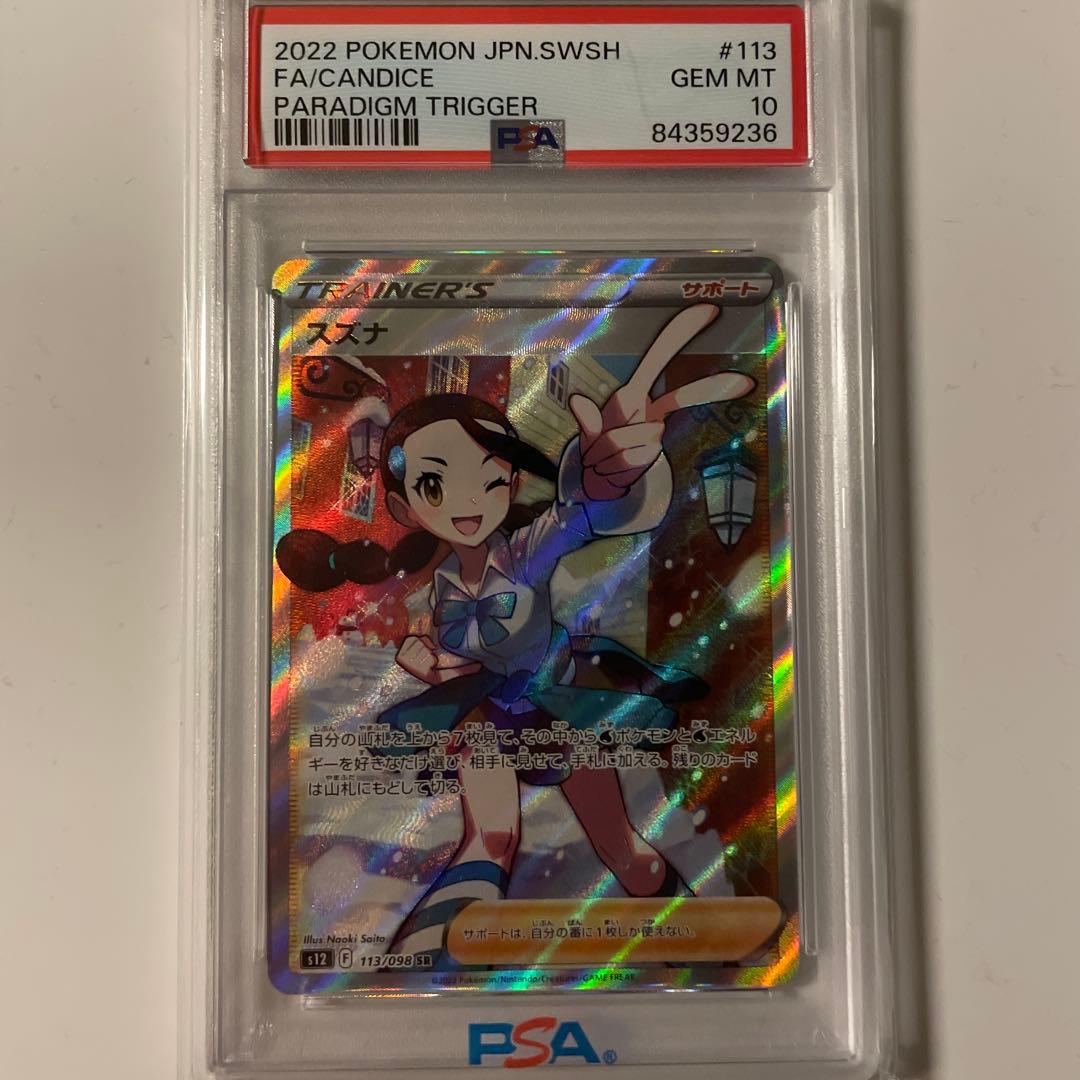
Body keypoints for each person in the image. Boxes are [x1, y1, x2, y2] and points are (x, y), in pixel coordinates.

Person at [276, 304, 754, 966]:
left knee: (620, 847)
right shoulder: (442, 588)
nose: (468, 500)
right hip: (490, 723)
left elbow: (576, 518)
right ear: (407, 506)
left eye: (487, 475)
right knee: (489, 839)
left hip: (560, 710)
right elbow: (454, 662)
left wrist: (605, 481)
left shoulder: (522, 555)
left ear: (508, 478)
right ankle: (422, 962)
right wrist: (425, 662)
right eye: (436, 483)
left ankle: (702, 944)